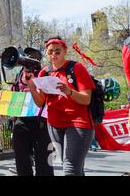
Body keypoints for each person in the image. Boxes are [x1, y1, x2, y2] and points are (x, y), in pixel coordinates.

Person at [25, 36, 96, 176]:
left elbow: (86, 99)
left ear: (65, 51)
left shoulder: (76, 68)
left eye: (57, 51)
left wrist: (68, 91)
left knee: (70, 169)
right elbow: (40, 102)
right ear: (46, 53)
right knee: (73, 167)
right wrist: (31, 86)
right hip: (55, 125)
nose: (54, 55)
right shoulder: (44, 72)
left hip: (78, 124)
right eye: (50, 52)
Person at [10, 47, 54, 176]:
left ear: (38, 58)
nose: (28, 56)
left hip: (42, 122)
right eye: (26, 54)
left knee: (44, 161)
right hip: (21, 121)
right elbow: (14, 94)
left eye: (32, 54)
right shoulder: (19, 76)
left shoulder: (45, 73)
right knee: (21, 159)